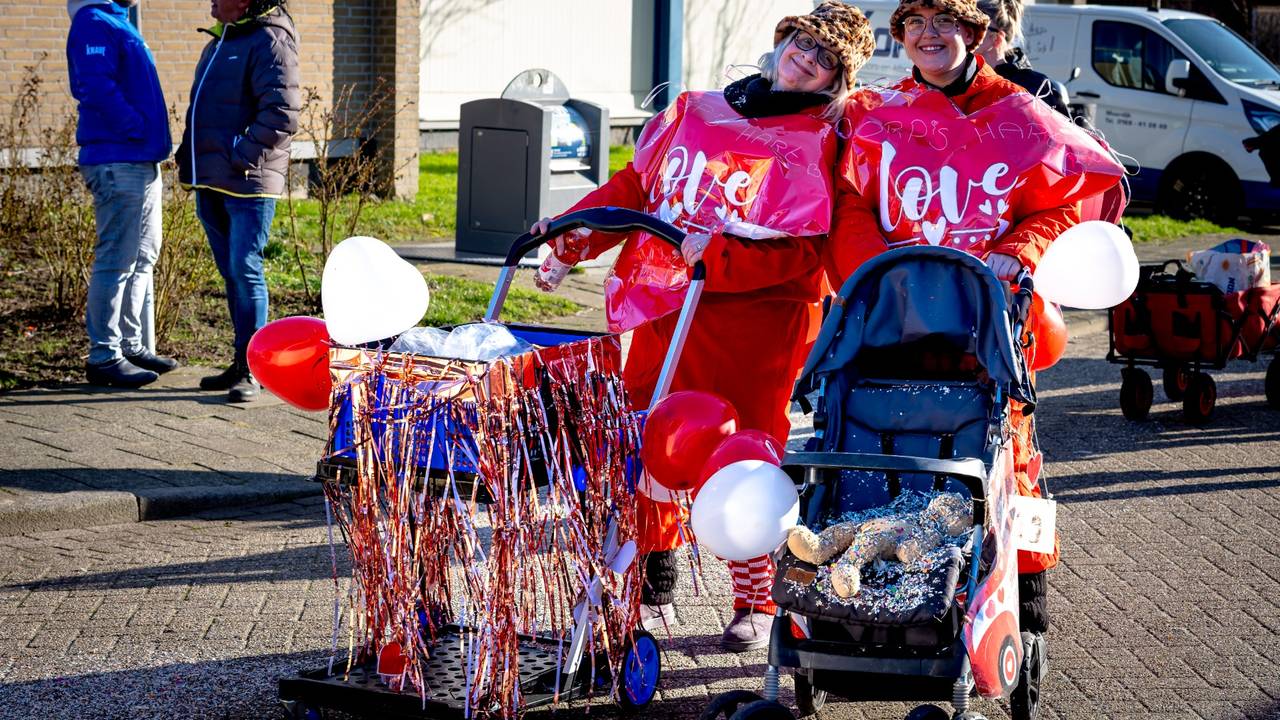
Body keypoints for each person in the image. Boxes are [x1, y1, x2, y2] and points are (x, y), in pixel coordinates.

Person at [531, 2, 874, 651]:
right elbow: (637, 186)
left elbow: (810, 251)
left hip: (757, 329)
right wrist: (571, 241)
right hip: (668, 311)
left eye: (824, 56)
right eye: (801, 40)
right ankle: (636, 586)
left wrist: (717, 255)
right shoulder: (701, 109)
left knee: (739, 462)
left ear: (836, 76)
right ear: (783, 42)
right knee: (646, 440)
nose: (806, 56)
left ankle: (756, 602)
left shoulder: (825, 141)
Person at [827, 0, 1125, 658]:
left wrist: (1019, 249)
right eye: (916, 23)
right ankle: (888, 597)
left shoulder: (1018, 113)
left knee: (1011, 460)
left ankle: (1028, 601)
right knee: (882, 442)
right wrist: (874, 269)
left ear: (973, 32)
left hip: (987, 323)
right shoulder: (878, 113)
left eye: (946, 22)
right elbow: (847, 198)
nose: (930, 35)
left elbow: (1066, 203)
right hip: (893, 317)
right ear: (900, 34)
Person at [177, 0, 299, 402]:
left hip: (247, 179)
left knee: (245, 270)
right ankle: (239, 361)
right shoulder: (219, 41)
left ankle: (253, 371)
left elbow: (282, 112)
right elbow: (201, 110)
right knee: (231, 272)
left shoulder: (270, 38)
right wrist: (186, 154)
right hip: (212, 177)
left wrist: (239, 155)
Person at [67, 0, 178, 388]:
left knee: (144, 254)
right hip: (118, 157)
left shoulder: (117, 20)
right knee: (117, 258)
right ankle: (104, 356)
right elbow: (95, 85)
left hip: (140, 157)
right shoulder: (93, 21)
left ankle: (132, 346)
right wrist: (134, 127)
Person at [976, 0, 1071, 117]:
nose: (965, 32)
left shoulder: (1034, 86)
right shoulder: (957, 80)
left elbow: (1062, 133)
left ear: (997, 38)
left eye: (976, 26)